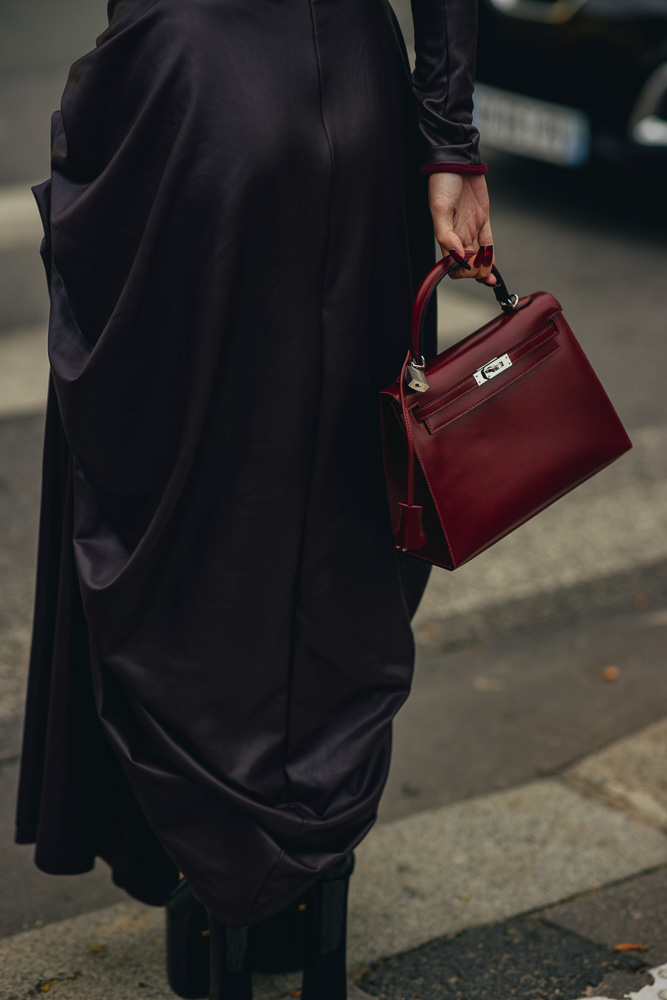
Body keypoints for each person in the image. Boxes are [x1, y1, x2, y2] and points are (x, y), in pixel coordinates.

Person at [15, 0, 493, 997]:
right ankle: (307, 897)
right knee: (345, 505)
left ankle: (215, 889)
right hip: (359, 99)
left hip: (187, 94)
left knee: (191, 513)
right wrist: (449, 145)